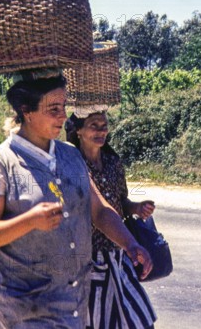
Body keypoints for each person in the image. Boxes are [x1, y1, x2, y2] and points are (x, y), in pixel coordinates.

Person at [0, 73, 152, 329]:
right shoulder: (0, 164)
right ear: (27, 111)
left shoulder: (71, 156)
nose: (63, 116)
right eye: (53, 109)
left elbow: (99, 211)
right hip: (25, 310)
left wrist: (130, 243)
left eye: (64, 107)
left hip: (73, 306)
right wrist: (30, 220)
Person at [66, 111, 157, 329]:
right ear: (78, 130)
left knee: (137, 317)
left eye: (104, 125)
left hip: (118, 252)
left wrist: (136, 207)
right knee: (97, 319)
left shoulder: (113, 162)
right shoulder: (71, 165)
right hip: (89, 257)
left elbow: (119, 201)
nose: (101, 131)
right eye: (94, 125)